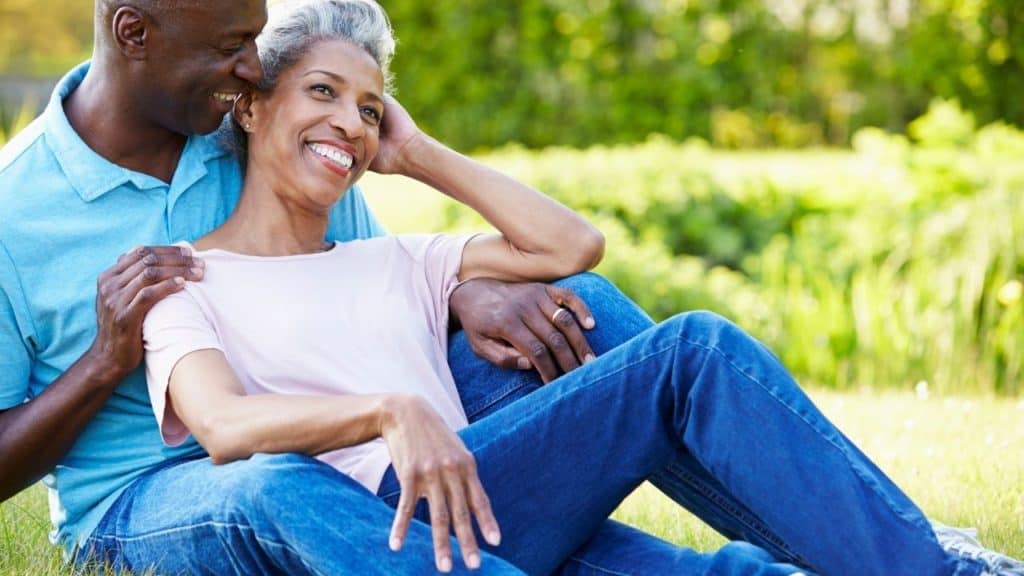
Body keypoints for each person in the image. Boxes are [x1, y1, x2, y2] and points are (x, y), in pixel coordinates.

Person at [134, 1, 1023, 575]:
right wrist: (387, 413)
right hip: (361, 528)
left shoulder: (401, 259)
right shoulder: (184, 279)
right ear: (250, 107)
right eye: (321, 92)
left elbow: (573, 244)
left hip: (491, 503)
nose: (348, 123)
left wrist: (416, 154)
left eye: (368, 109)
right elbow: (224, 427)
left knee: (692, 358)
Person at [0, 0, 650, 573]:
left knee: (577, 310)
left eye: (254, 41)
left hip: (326, 445)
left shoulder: (252, 128)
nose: (254, 67)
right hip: (155, 490)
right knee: (274, 485)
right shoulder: (14, 212)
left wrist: (461, 292)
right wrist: (102, 363)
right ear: (133, 33)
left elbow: (364, 277)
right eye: (232, 48)